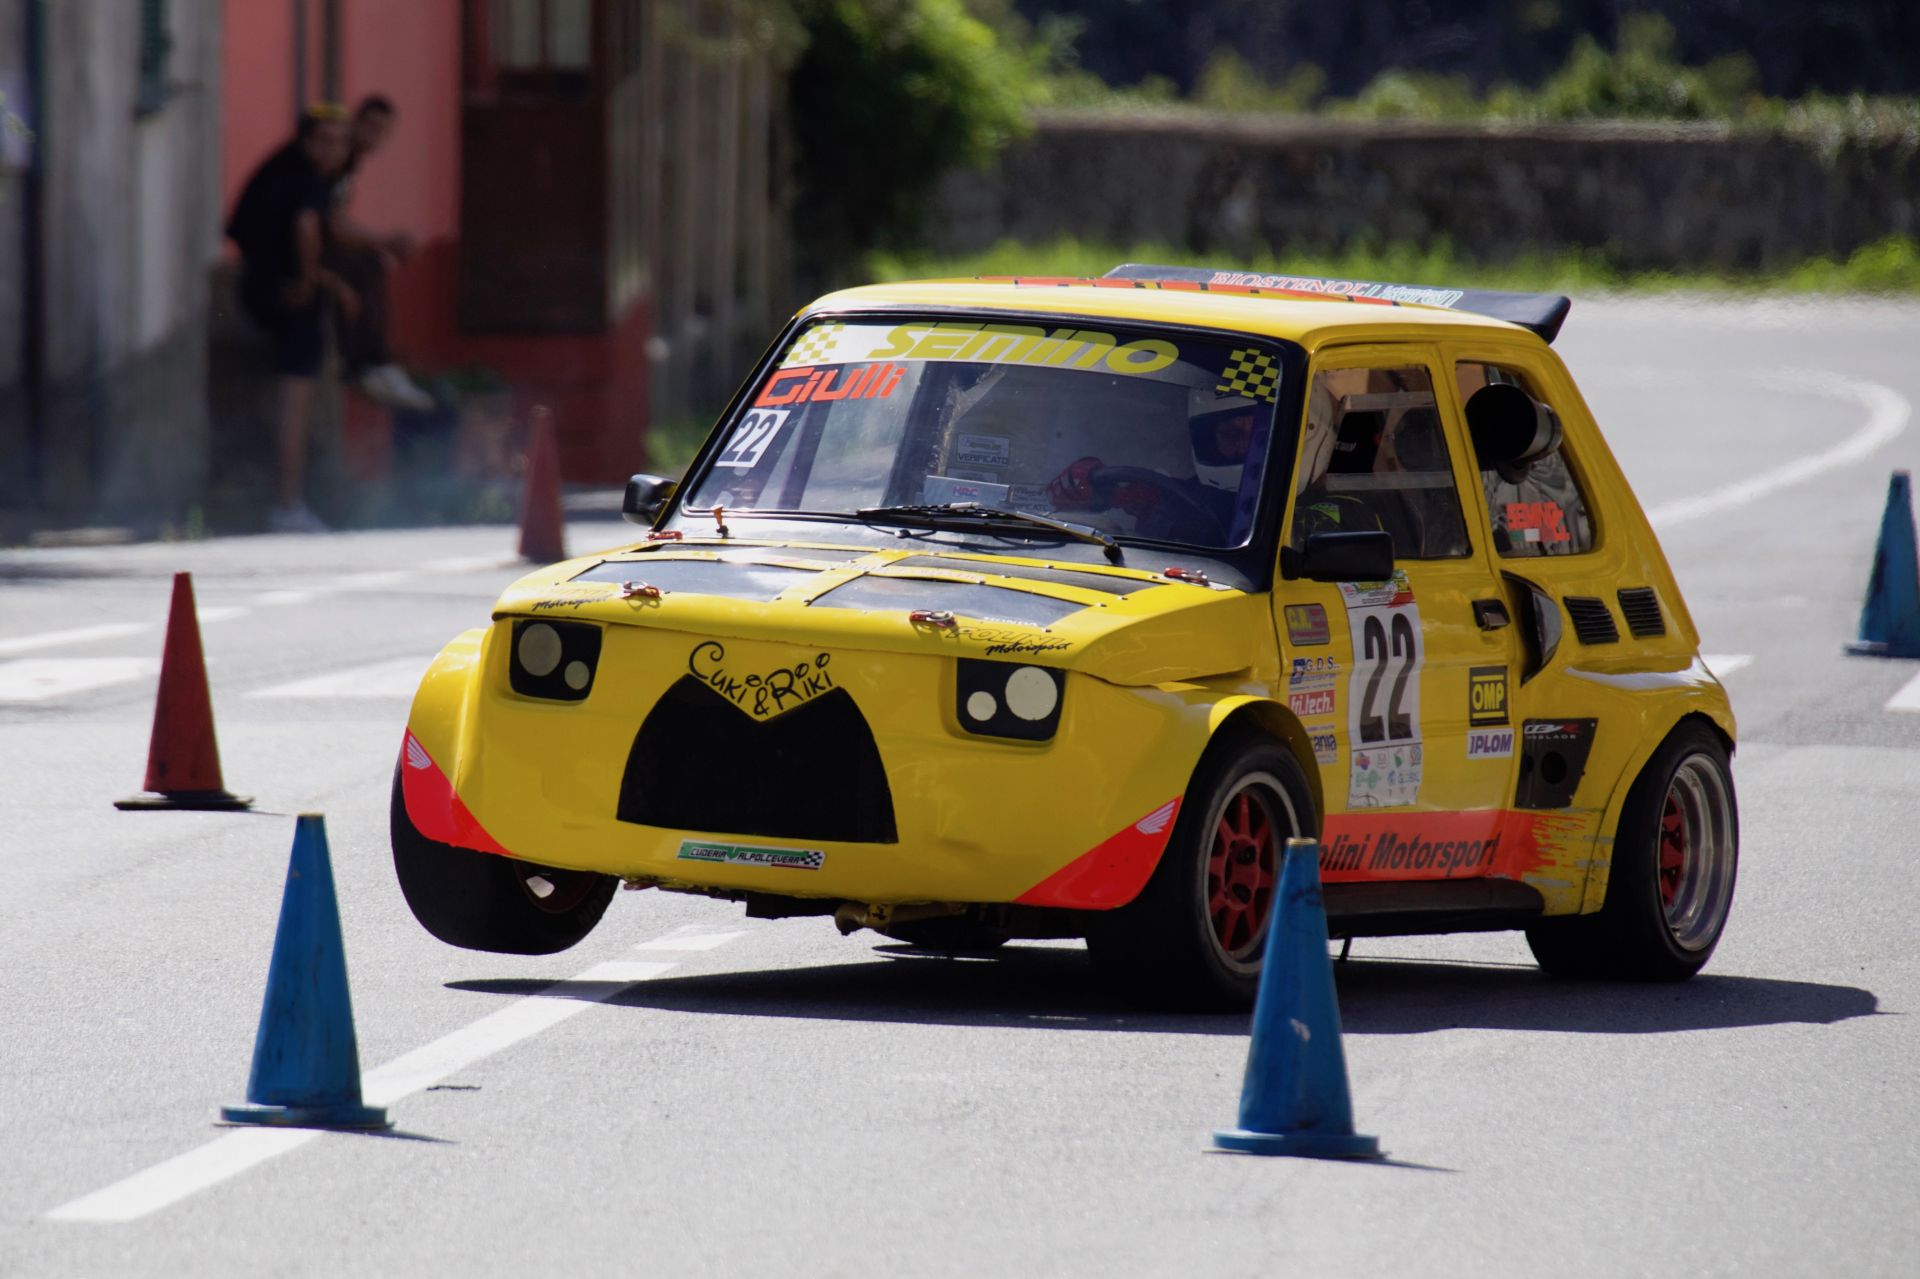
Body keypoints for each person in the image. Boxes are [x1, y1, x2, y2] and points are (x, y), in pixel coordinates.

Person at [225, 105, 355, 533]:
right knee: (295, 400)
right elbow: (305, 226)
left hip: (260, 287)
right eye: (326, 140)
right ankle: (287, 502)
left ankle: (287, 500)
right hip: (285, 296)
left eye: (340, 141)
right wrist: (306, 278)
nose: (334, 150)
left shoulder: (278, 168)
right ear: (307, 141)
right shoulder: (307, 180)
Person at [322, 96, 434, 413]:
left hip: (321, 247)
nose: (373, 136)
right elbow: (329, 223)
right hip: (298, 252)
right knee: (364, 264)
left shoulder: (351, 163)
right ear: (355, 123)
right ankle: (364, 363)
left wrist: (375, 242)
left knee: (369, 262)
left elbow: (337, 218)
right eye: (369, 126)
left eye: (382, 132)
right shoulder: (338, 157)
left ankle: (373, 361)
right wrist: (381, 240)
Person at [1045, 392, 1261, 544]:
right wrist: (1096, 493)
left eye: (1258, 436)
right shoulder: (1183, 491)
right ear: (1207, 440)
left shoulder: (1287, 497)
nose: (1244, 447)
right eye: (1231, 435)